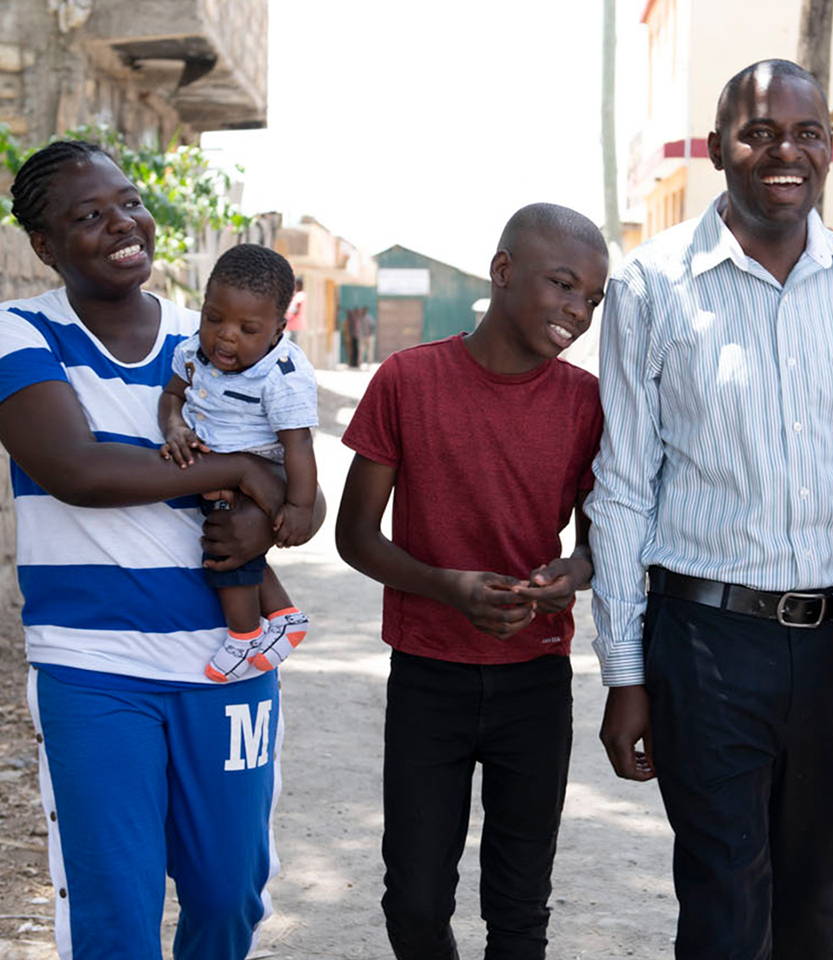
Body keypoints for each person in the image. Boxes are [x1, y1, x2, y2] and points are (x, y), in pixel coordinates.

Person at [586, 59, 833, 960]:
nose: (785, 152)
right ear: (716, 150)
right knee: (726, 903)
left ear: (830, 149)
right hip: (704, 642)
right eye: (759, 132)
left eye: (806, 132)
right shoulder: (651, 285)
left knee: (819, 903)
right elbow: (619, 489)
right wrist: (625, 672)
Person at [0, 140, 323, 960]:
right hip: (94, 669)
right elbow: (76, 468)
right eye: (88, 215)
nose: (123, 224)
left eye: (129, 200)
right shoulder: (20, 331)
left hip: (227, 662)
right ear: (44, 246)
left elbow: (303, 500)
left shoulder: (220, 333)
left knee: (227, 895)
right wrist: (241, 470)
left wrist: (268, 513)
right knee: (118, 908)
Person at [335, 202, 608, 960]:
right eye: (562, 285)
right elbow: (355, 536)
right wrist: (447, 585)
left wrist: (571, 576)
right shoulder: (407, 379)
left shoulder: (585, 403)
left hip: (536, 682)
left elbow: (599, 545)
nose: (577, 311)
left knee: (520, 909)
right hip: (429, 677)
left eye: (592, 297)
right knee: (415, 901)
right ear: (502, 271)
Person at [159, 243, 316, 682]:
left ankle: (244, 634)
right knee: (235, 548)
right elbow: (171, 396)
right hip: (219, 466)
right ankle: (283, 615)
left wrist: (300, 507)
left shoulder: (280, 376)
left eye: (247, 328)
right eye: (214, 319)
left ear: (277, 330)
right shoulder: (193, 354)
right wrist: (175, 428)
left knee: (225, 551)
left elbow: (299, 444)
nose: (226, 336)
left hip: (263, 472)